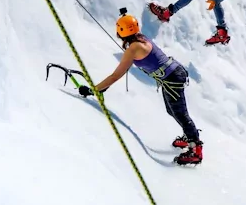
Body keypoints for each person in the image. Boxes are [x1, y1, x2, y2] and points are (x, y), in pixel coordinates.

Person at [80, 9, 203, 165]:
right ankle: (189, 136)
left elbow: (115, 76)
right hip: (173, 74)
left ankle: (195, 148)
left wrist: (93, 90)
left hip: (172, 78)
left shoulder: (133, 48)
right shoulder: (141, 39)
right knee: (172, 110)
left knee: (179, 113)